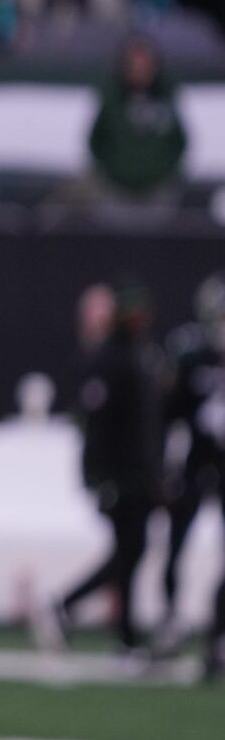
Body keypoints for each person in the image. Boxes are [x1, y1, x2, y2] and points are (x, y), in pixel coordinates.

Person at [44, 280, 163, 657]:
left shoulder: (140, 357)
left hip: (140, 472)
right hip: (119, 474)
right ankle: (117, 633)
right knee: (129, 550)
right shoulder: (105, 361)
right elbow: (96, 427)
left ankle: (100, 622)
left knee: (131, 550)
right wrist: (98, 476)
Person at [158, 273, 222, 663]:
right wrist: (166, 463)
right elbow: (169, 413)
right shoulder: (190, 351)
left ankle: (218, 630)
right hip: (194, 461)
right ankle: (171, 622)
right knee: (175, 546)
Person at [89, 33, 186, 206]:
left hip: (159, 191)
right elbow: (96, 141)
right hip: (116, 190)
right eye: (134, 65)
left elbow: (179, 142)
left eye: (145, 64)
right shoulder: (112, 98)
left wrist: (164, 172)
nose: (140, 69)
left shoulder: (166, 96)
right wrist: (112, 172)